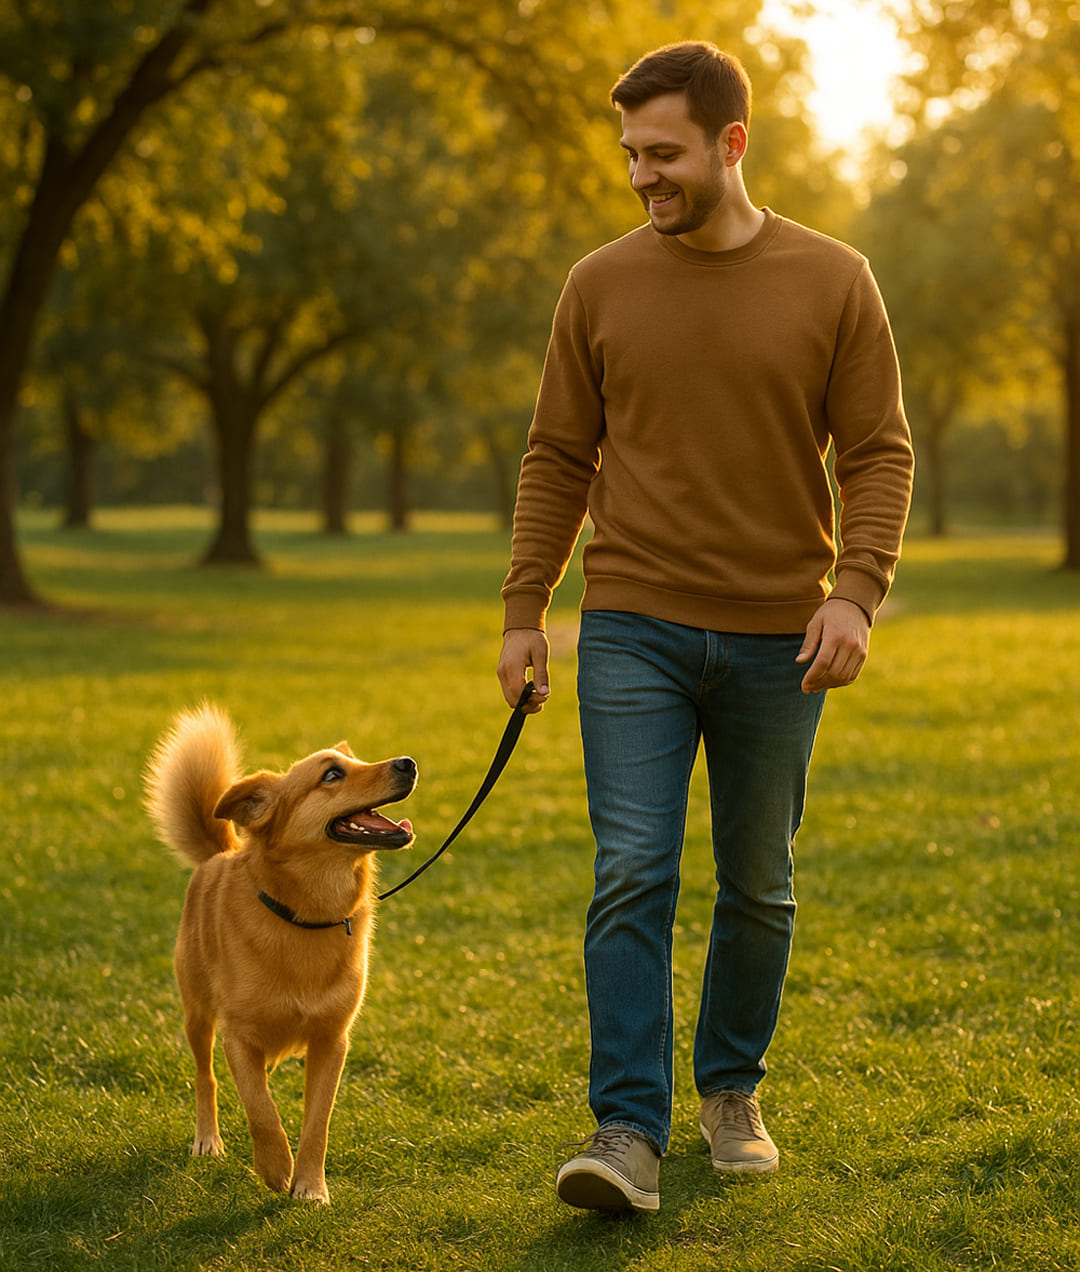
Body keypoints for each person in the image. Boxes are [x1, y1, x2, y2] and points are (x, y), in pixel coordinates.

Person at [496, 41, 914, 1214]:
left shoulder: (834, 279)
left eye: (664, 153)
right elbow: (557, 455)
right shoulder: (598, 284)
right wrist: (526, 609)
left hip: (783, 635)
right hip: (631, 622)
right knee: (633, 868)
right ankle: (628, 1128)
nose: (642, 175)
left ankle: (732, 1089)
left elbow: (879, 452)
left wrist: (856, 591)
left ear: (732, 144)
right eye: (631, 154)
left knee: (759, 881)